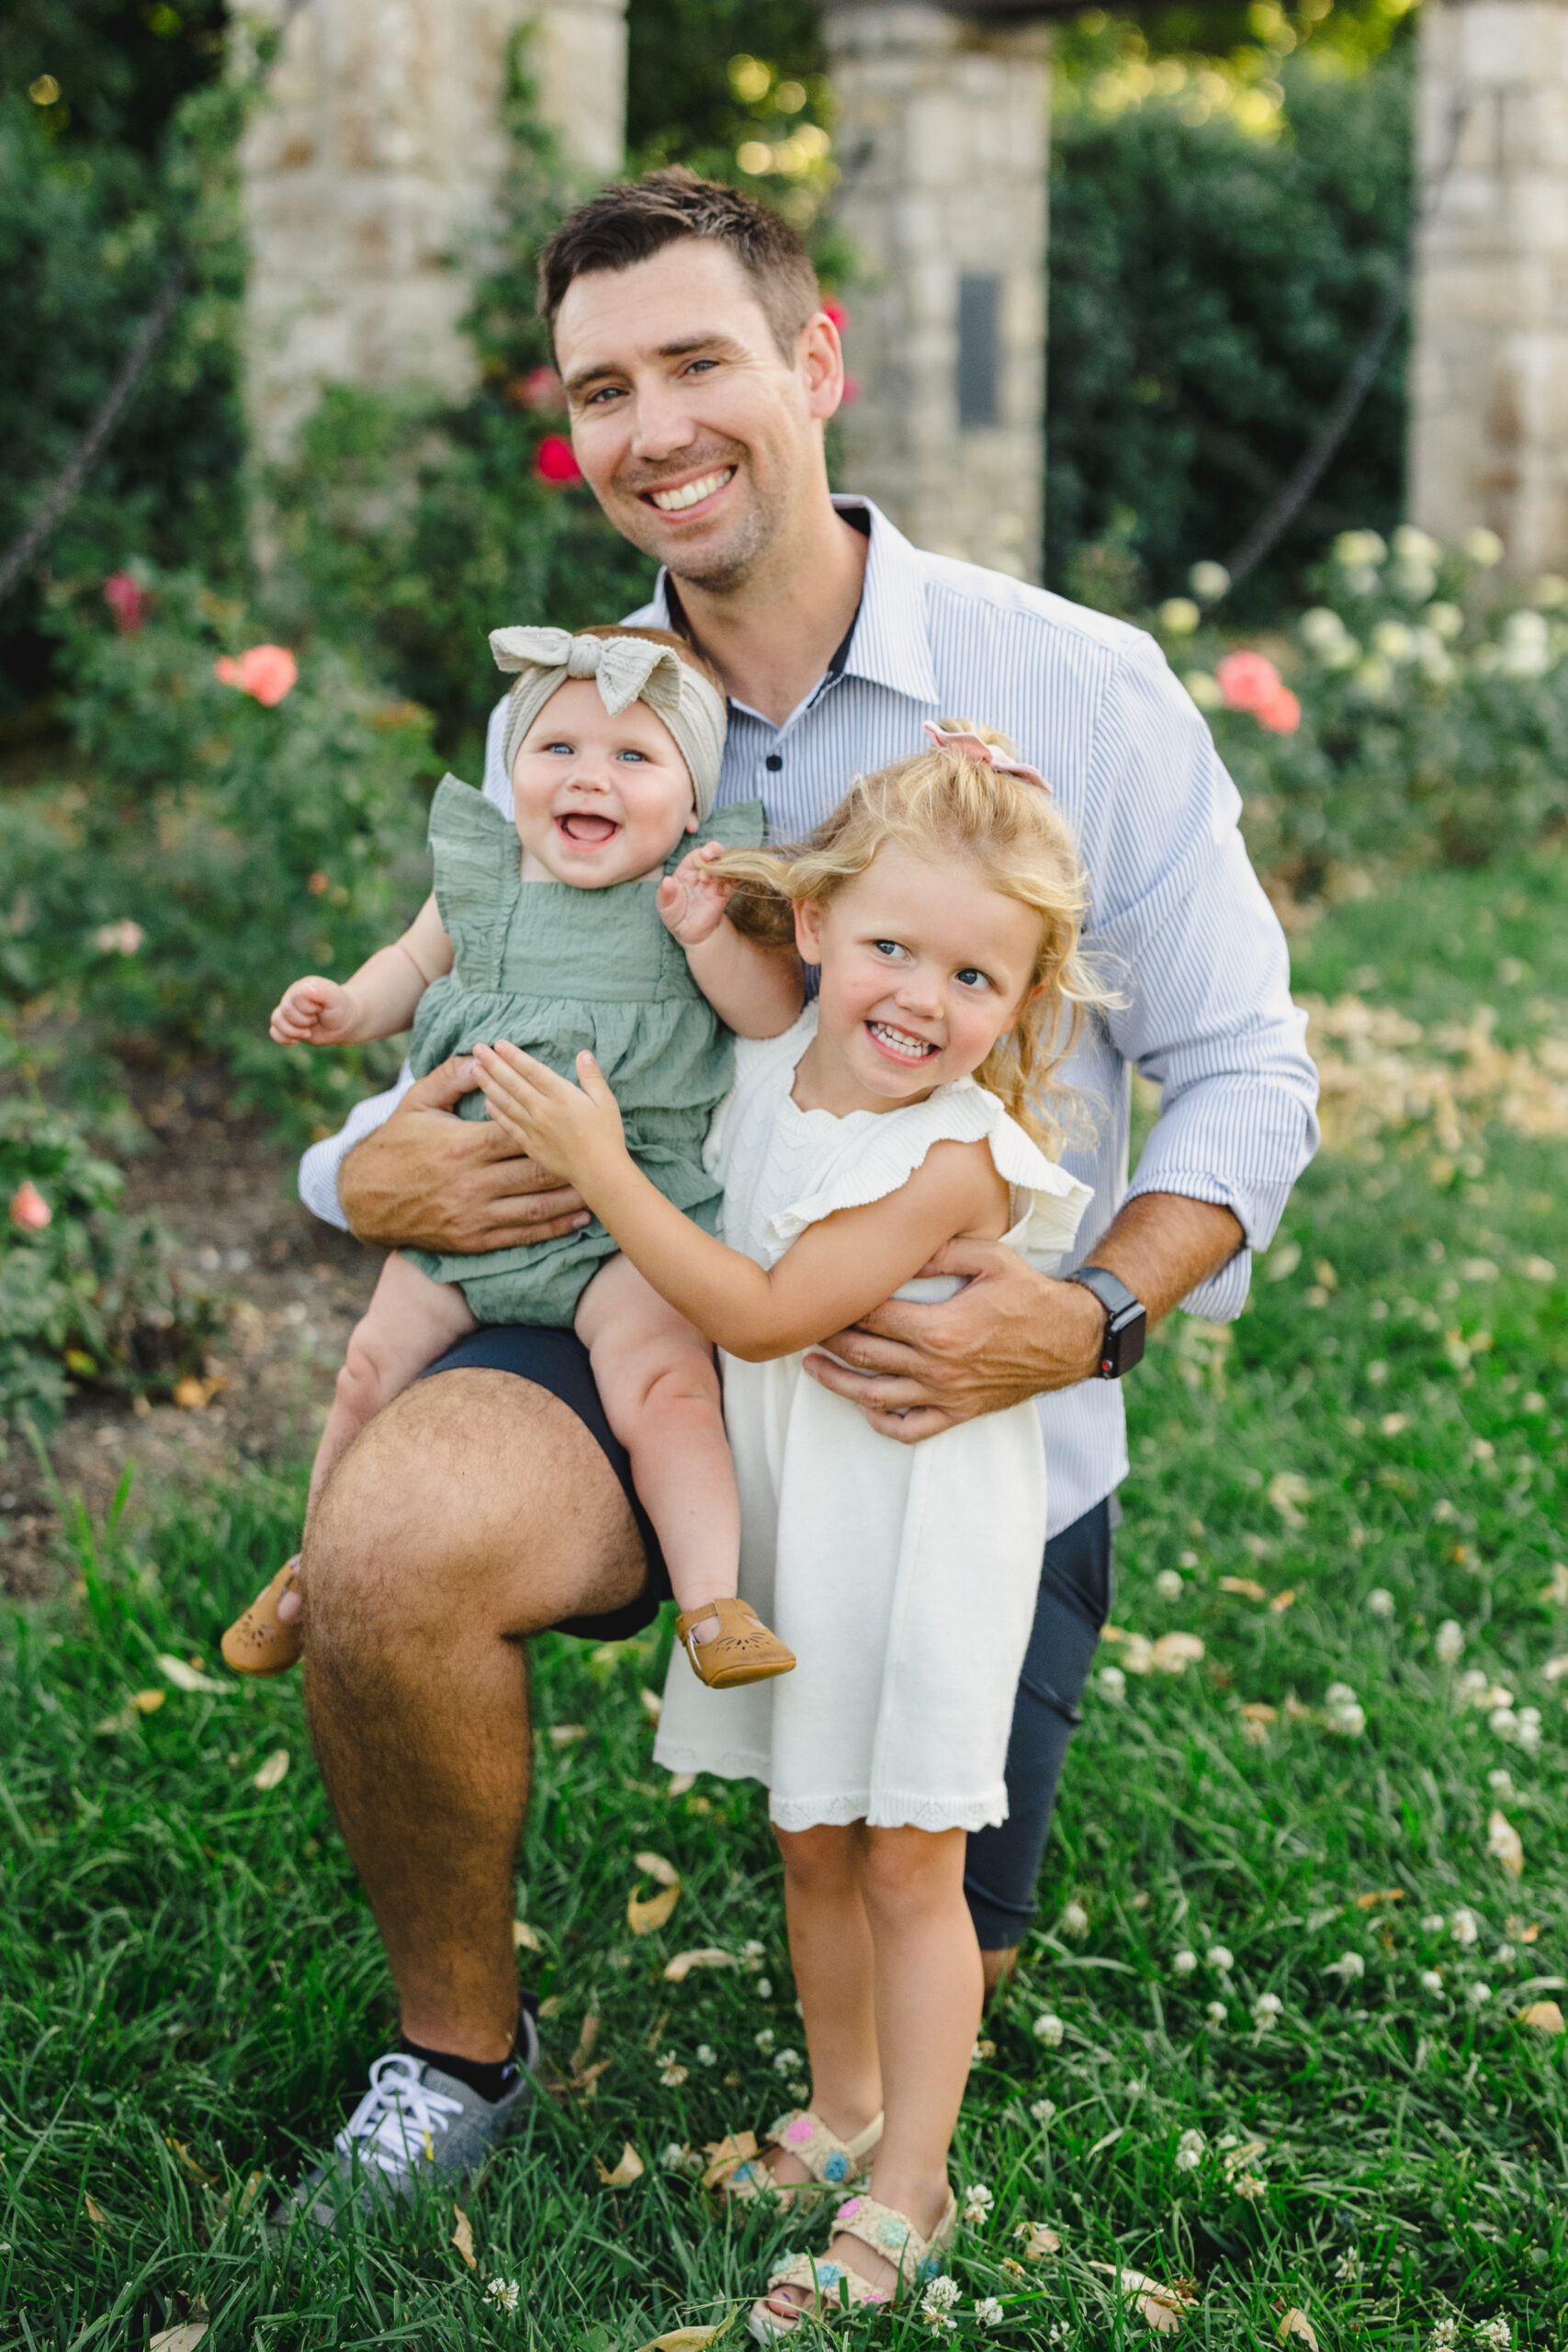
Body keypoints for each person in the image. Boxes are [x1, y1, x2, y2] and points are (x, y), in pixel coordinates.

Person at [280, 167, 1318, 2225]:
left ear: (813, 360)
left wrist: (1092, 1308)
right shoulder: (567, 714)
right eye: (600, 389)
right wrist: (349, 1164)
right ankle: (451, 2053)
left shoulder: (1074, 687)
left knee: (920, 1912)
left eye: (696, 361)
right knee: (390, 1533)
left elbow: (1247, 1071)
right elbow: (469, 996)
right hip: (625, 1310)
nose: (650, 428)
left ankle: (875, 2146)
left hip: (936, 1402)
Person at [468, 724, 1100, 2325]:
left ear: (1025, 1005)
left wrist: (602, 1171)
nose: (920, 999)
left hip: (919, 1553)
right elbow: (752, 1013)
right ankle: (842, 2113)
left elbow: (754, 1317)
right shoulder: (771, 1061)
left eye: (975, 978)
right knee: (809, 1841)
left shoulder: (954, 1162)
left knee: (908, 1866)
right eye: (889, 944)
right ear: (813, 926)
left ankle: (913, 2188)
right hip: (801, 1536)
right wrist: (701, 915)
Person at [223, 625, 799, 1693]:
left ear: (688, 800)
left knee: (668, 1389)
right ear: (515, 771)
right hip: (465, 1216)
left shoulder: (691, 891)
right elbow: (406, 963)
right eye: (559, 749)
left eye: (635, 758)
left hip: (626, 1223)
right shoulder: (482, 882)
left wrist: (710, 937)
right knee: (364, 1370)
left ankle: (715, 1605)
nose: (590, 776)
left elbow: (767, 1017)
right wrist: (346, 1006)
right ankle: (310, 1571)